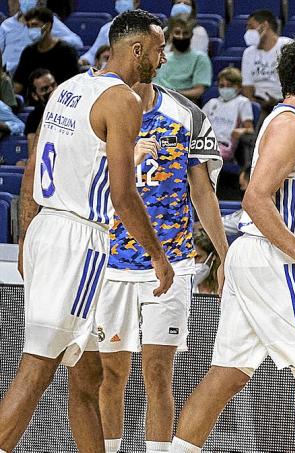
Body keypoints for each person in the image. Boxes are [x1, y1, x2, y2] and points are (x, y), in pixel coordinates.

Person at [0, 9, 174, 453]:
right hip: (79, 240)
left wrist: (26, 237)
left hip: (45, 229)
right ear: (136, 50)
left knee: (88, 372)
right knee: (37, 368)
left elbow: (31, 169)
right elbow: (123, 195)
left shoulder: (66, 88)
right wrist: (157, 255)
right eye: (158, 49)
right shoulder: (124, 101)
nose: (162, 57)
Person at [170, 32, 295, 453]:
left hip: (258, 255)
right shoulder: (291, 126)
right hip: (275, 260)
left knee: (226, 375)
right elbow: (255, 197)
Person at [96, 80, 226, 453]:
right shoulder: (99, 111)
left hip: (172, 262)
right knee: (112, 374)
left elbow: (202, 190)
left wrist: (224, 253)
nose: (159, 58)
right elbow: (86, 183)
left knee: (158, 372)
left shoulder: (186, 114)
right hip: (110, 262)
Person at [0, 0, 82, 76]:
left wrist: (50, 39)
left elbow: (77, 42)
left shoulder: (47, 20)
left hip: (34, 72)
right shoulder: (6, 25)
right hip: (8, 74)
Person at [12, 6, 80, 96]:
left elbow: (73, 86)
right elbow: (18, 84)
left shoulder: (66, 51)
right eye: (28, 26)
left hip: (59, 102)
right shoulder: (28, 52)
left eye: (34, 25)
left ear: (47, 26)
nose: (30, 30)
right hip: (33, 104)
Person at [240, 9, 292, 111]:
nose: (247, 31)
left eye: (251, 27)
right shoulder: (248, 53)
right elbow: (247, 87)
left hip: (284, 102)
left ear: (264, 26)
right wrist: (254, 106)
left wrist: (280, 102)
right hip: (259, 103)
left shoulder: (287, 46)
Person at [153, 16, 211, 103]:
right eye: (177, 33)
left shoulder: (200, 58)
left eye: (185, 33)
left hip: (185, 104)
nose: (181, 37)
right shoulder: (162, 58)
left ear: (191, 35)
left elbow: (199, 91)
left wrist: (174, 94)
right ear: (171, 35)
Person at [201, 66, 254, 161]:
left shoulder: (242, 102)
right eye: (221, 86)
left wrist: (242, 131)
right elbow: (199, 123)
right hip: (206, 144)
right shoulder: (212, 102)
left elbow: (250, 129)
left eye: (229, 86)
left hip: (225, 146)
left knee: (206, 158)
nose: (225, 88)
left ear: (238, 87)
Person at [79, 0, 139, 67]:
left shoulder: (147, 28)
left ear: (136, 2)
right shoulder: (107, 28)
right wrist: (83, 61)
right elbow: (93, 53)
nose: (121, 1)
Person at [24, 68, 57, 152]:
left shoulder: (73, 108)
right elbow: (33, 152)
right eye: (44, 89)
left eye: (53, 85)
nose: (51, 90)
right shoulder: (34, 117)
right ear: (35, 95)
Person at [192, 227, 222, 294]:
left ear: (212, 256)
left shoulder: (224, 286)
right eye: (191, 258)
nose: (194, 262)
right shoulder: (182, 286)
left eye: (198, 257)